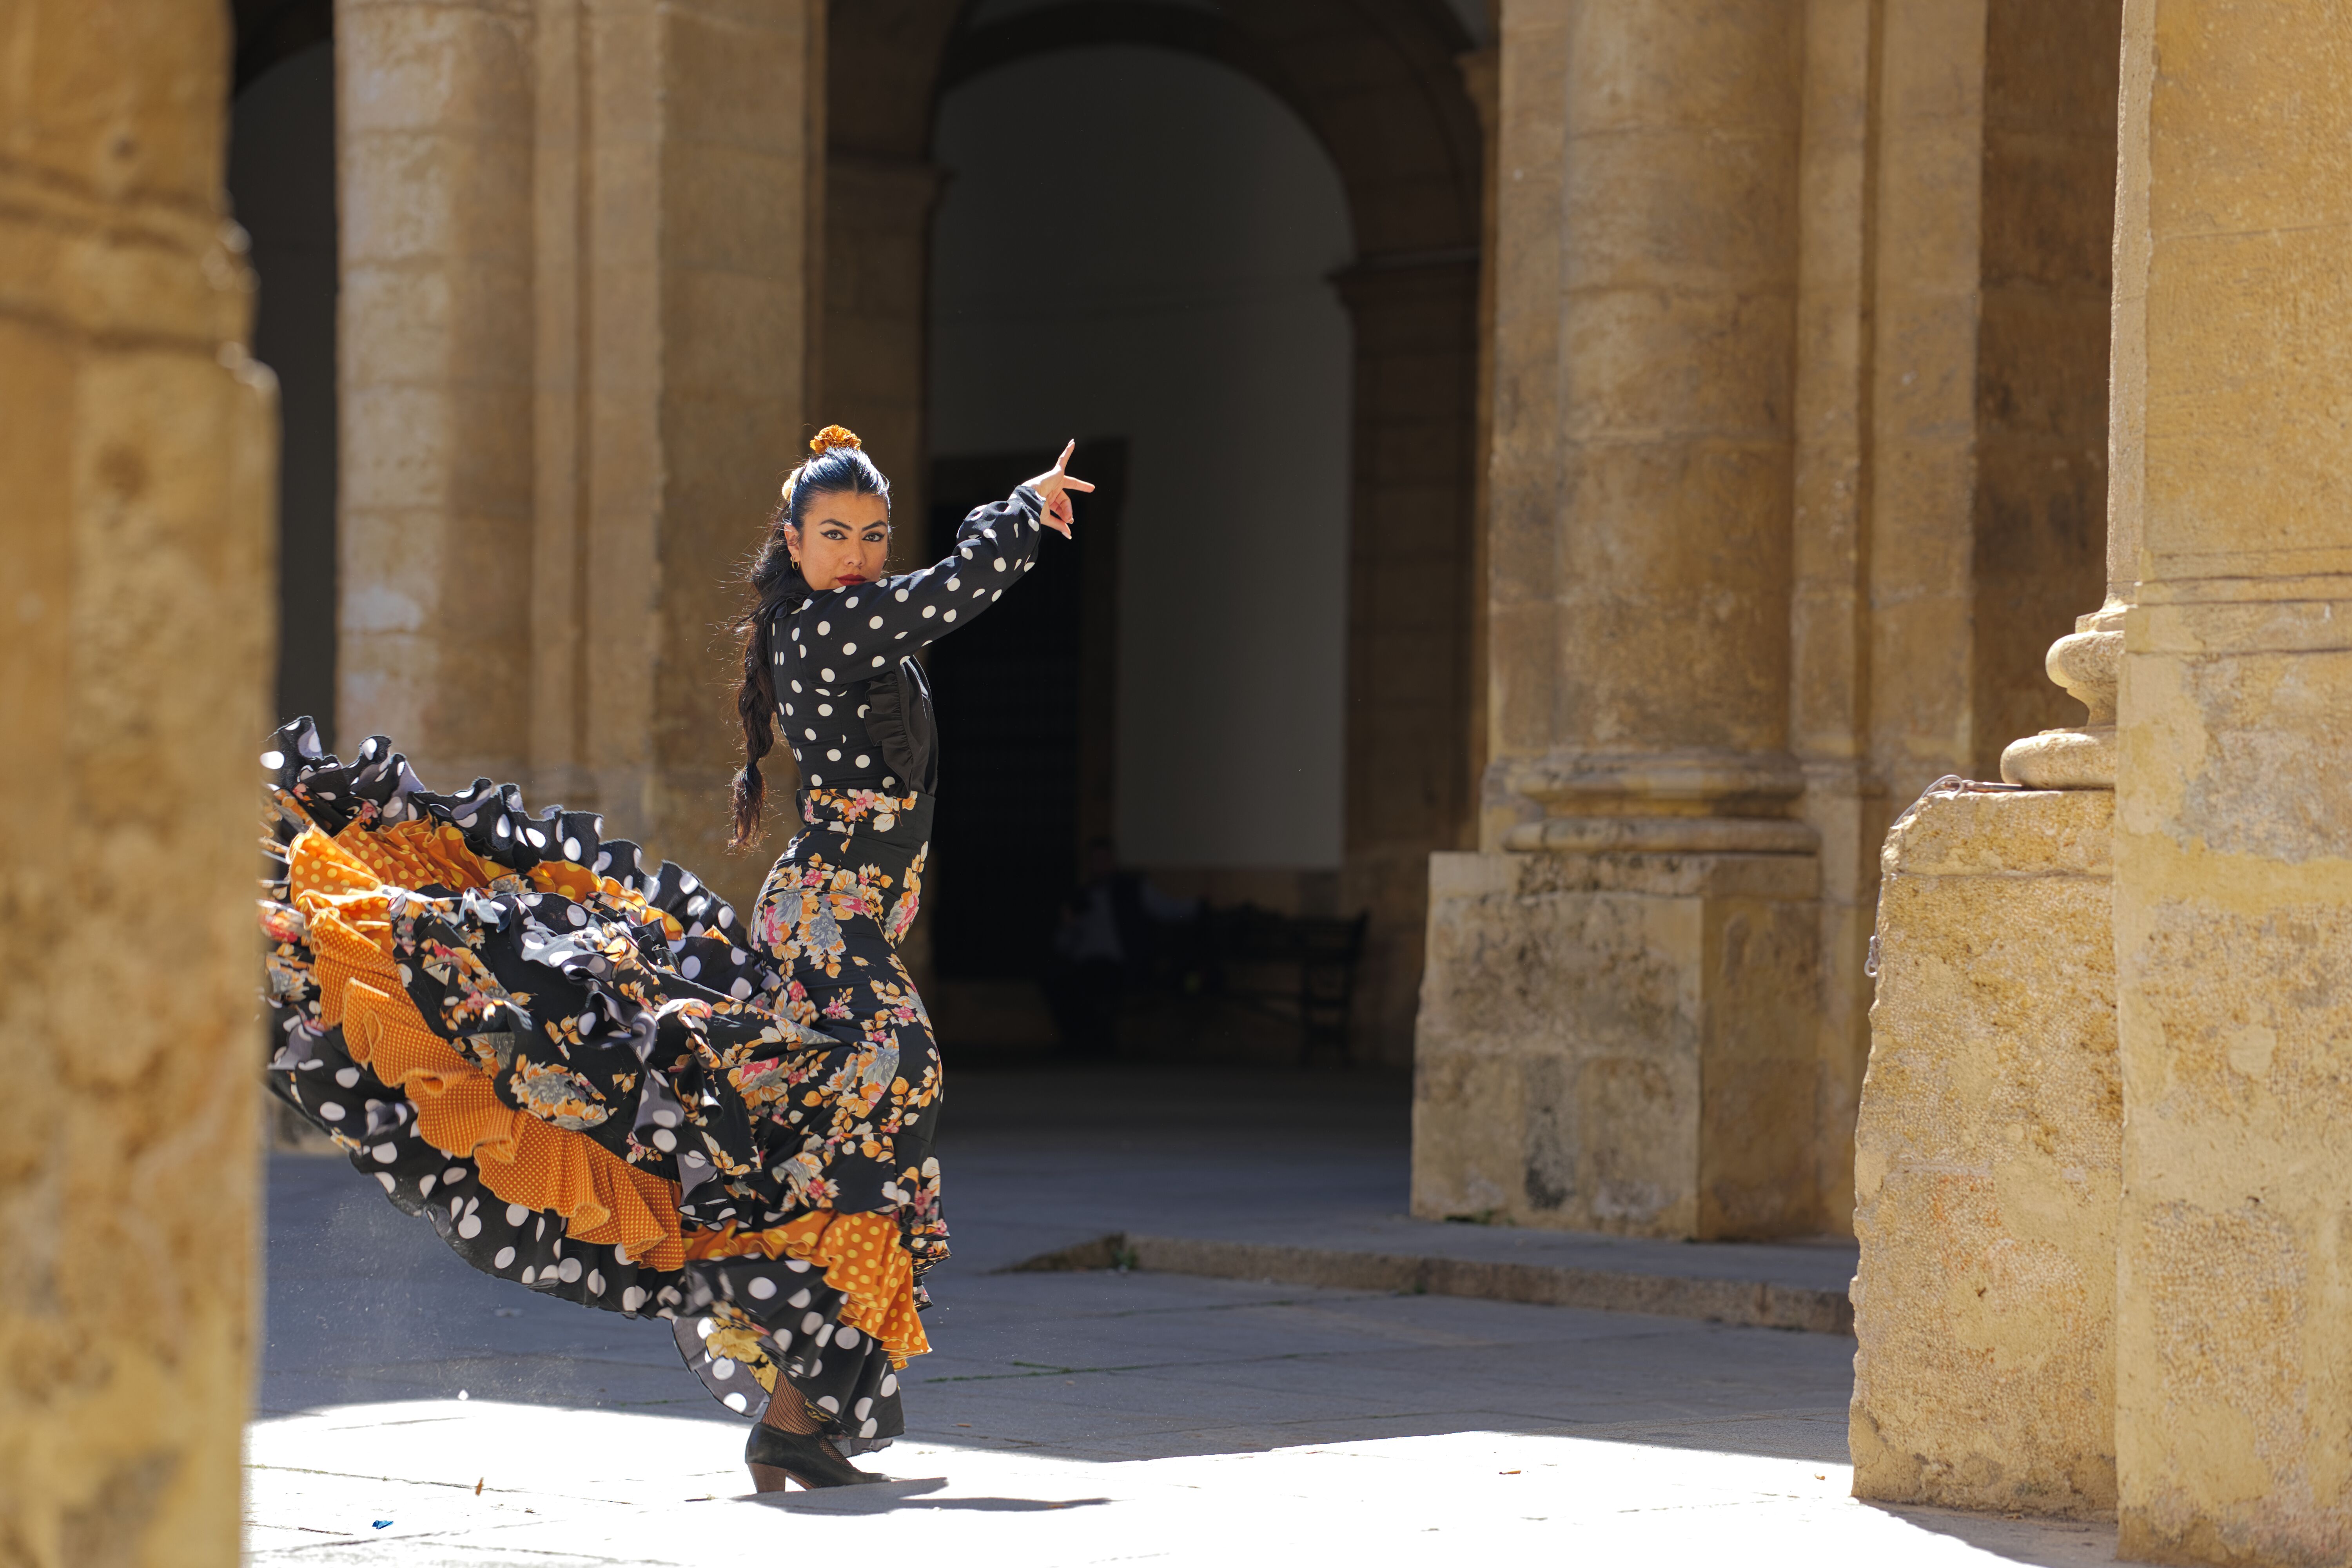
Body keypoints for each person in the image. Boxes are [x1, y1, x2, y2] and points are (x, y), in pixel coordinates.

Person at [257, 426, 1089, 1491]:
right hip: (831, 919)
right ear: (792, 541)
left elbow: (927, 608)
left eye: (874, 536)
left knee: (857, 1136)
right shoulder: (832, 627)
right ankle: (784, 1353)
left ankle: (800, 1405)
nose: (859, 554)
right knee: (884, 1110)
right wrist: (1016, 510)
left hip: (852, 918)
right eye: (835, 534)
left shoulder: (848, 625)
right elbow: (954, 593)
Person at [1045, 838, 1201, 1053]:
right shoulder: (1079, 897)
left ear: (1114, 862)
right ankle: (1081, 1041)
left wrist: (1201, 907)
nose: (1100, 866)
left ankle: (1097, 1042)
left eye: (1105, 860)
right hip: (1083, 964)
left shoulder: (1132, 890)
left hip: (1118, 964)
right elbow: (1062, 945)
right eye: (1095, 861)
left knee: (1100, 978)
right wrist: (1068, 925)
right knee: (1057, 978)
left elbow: (1169, 909)